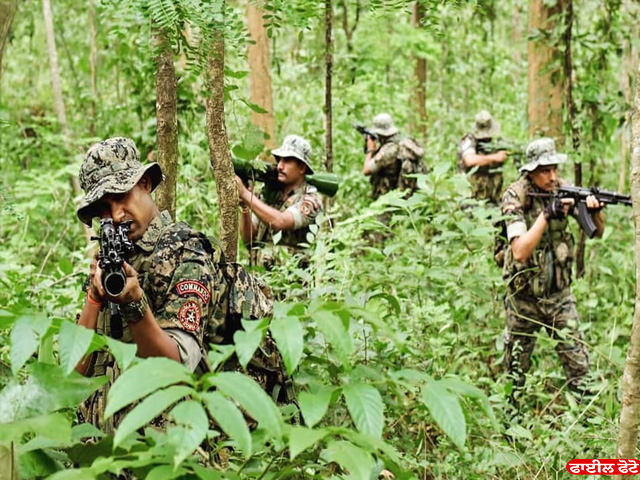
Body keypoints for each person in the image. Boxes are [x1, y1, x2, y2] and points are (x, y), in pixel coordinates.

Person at [74, 137, 271, 432]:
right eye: (103, 207)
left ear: (144, 183)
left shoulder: (185, 251)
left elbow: (178, 364)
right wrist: (94, 295)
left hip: (173, 441)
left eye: (121, 196)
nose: (115, 215)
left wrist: (134, 304)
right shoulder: (113, 259)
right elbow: (75, 375)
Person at [500, 137, 604, 406]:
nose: (552, 176)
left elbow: (597, 233)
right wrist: (546, 215)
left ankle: (587, 421)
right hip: (523, 298)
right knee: (514, 373)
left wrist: (595, 211)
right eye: (545, 170)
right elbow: (519, 251)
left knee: (580, 369)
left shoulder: (562, 189)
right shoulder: (515, 196)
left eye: (554, 169)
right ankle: (511, 424)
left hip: (559, 296)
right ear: (531, 171)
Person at [237, 135, 323, 270]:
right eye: (279, 160)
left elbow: (280, 221)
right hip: (259, 276)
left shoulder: (310, 200)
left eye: (287, 161)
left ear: (301, 168)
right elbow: (249, 240)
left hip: (289, 279)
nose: (280, 166)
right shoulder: (270, 194)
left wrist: (246, 194)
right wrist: (245, 207)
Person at [362, 113, 425, 200]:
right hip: (400, 194)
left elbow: (366, 170)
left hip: (389, 197)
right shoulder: (400, 142)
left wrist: (370, 150)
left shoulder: (388, 151)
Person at [458, 110, 508, 205]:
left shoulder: (496, 141)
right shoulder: (469, 140)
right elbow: (470, 160)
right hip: (472, 195)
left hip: (493, 193)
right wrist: (495, 157)